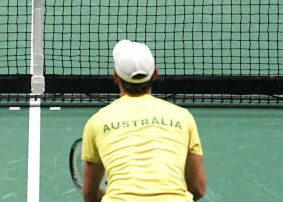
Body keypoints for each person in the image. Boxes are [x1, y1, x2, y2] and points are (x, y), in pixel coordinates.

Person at [79, 39, 206, 202]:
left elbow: (89, 196)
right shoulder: (183, 117)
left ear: (116, 76)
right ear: (155, 73)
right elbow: (198, 189)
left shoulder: (97, 122)